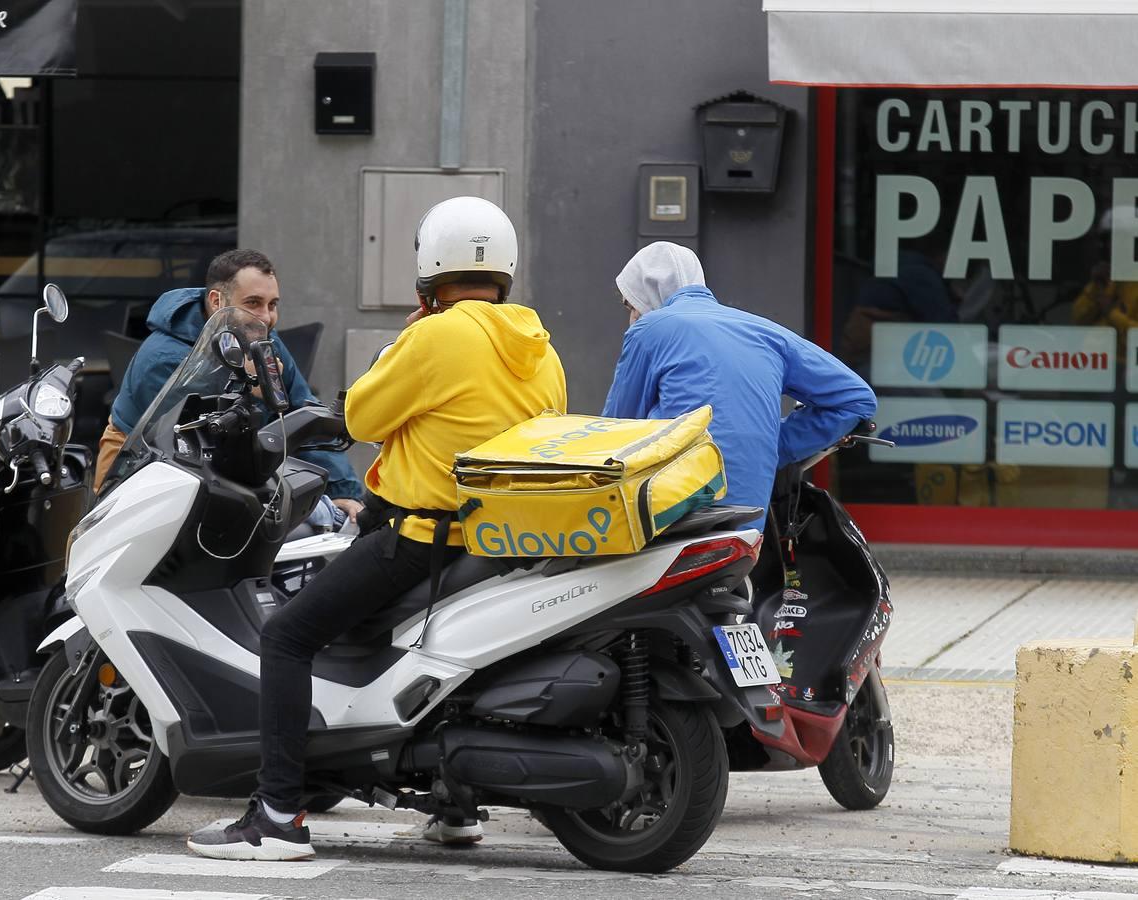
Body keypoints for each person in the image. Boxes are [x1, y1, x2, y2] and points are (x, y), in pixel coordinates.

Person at [186, 197, 567, 861]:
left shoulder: (434, 337)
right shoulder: (540, 348)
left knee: (285, 636)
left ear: (430, 269)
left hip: (419, 540)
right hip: (499, 543)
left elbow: (361, 418)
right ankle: (453, 809)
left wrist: (407, 342)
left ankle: (277, 815)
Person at [603, 242, 875, 532]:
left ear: (645, 297)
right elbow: (856, 400)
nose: (630, 318)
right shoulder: (766, 331)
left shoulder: (649, 329)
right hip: (747, 521)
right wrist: (776, 443)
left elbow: (616, 430)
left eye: (629, 306)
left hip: (672, 510)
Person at [95, 249, 363, 519]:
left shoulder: (260, 338)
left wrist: (342, 490)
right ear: (217, 301)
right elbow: (194, 446)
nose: (267, 317)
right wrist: (255, 392)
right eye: (253, 303)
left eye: (272, 304)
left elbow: (302, 412)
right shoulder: (167, 357)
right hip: (139, 466)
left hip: (237, 466)